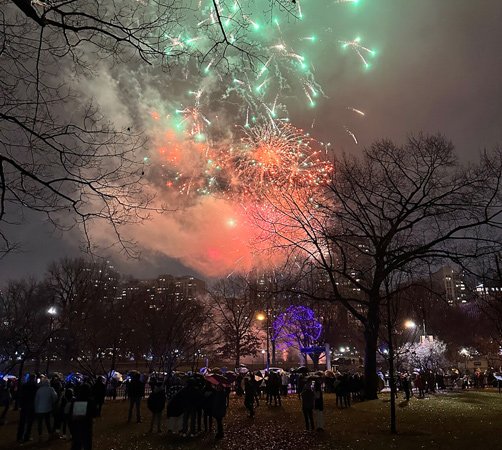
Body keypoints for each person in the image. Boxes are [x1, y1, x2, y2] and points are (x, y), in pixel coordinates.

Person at [69, 383, 96, 450]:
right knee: (87, 444)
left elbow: (70, 413)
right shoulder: (90, 401)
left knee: (76, 444)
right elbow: (94, 413)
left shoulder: (75, 401)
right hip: (86, 425)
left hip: (76, 425)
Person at [16, 374, 38, 443]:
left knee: (22, 422)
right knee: (29, 422)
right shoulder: (35, 386)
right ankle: (26, 437)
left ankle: (19, 436)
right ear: (34, 378)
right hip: (31, 406)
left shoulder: (24, 385)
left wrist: (20, 404)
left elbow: (21, 395)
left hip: (24, 405)